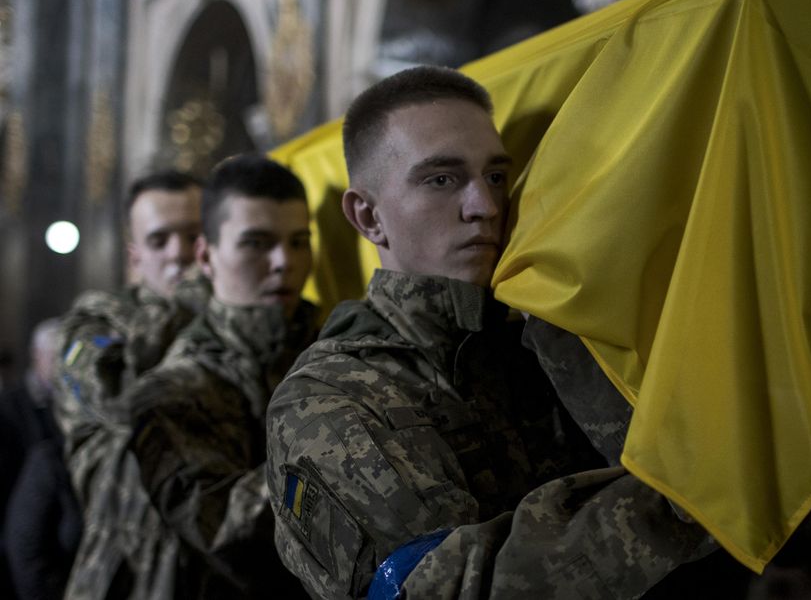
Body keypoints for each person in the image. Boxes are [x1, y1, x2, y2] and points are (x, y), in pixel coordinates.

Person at [266, 65, 716, 600]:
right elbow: (443, 590)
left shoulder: (543, 337)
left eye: (497, 177)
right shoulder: (327, 399)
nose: (485, 206)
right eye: (441, 179)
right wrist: (687, 498)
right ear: (367, 216)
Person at [127, 154, 318, 597]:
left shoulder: (327, 350)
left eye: (298, 242)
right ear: (206, 257)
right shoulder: (174, 389)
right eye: (256, 242)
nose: (282, 262)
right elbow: (222, 529)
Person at [55, 170, 207, 600]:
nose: (179, 255)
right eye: (160, 241)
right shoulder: (95, 321)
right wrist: (193, 299)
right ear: (135, 255)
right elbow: (114, 390)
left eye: (193, 235)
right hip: (126, 575)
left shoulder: (228, 319)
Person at [1, 319, 80, 600]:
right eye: (55, 355)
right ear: (36, 355)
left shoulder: (70, 404)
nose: (63, 364)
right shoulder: (9, 407)